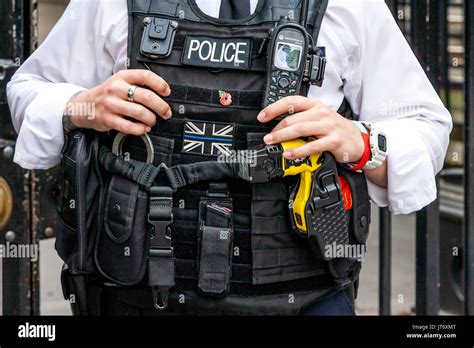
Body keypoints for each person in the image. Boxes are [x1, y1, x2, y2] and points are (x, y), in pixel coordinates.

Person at [7, 0, 452, 316]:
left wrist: (360, 141)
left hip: (303, 297)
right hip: (135, 295)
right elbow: (28, 92)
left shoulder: (350, 6)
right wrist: (81, 105)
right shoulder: (110, 3)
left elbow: (427, 129)